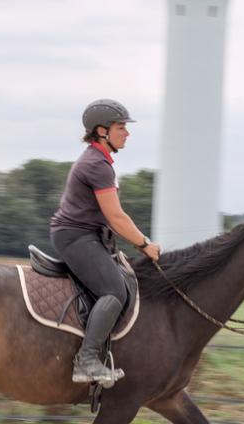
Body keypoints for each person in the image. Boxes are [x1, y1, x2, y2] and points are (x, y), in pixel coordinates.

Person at [49, 99, 162, 387]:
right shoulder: (97, 165)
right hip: (76, 236)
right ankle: (86, 361)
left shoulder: (99, 161)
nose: (127, 133)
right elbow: (116, 217)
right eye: (121, 127)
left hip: (86, 235)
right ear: (102, 131)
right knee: (114, 290)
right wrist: (144, 244)